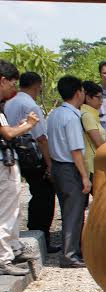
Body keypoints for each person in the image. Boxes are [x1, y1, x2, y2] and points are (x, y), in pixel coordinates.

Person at [3, 71, 57, 252]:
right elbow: (41, 137)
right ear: (37, 86)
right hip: (33, 157)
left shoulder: (10, 102)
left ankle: (26, 236)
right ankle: (42, 236)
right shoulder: (30, 104)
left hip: (16, 155)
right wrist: (49, 164)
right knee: (44, 197)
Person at [0, 60, 40, 276]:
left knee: (12, 210)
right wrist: (28, 125)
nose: (13, 89)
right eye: (11, 83)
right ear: (2, 80)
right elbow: (7, 134)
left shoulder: (4, 105)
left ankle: (13, 249)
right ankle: (3, 259)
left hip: (6, 162)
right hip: (2, 165)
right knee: (5, 212)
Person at [47, 75, 91, 269]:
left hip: (57, 166)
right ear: (78, 93)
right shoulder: (72, 117)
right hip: (69, 167)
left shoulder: (55, 114)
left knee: (68, 210)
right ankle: (70, 255)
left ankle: (72, 250)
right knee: (74, 212)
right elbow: (75, 150)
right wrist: (84, 177)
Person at [80, 81, 106, 197]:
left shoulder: (90, 114)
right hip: (91, 166)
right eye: (98, 98)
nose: (101, 101)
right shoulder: (87, 115)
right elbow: (99, 143)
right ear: (88, 98)